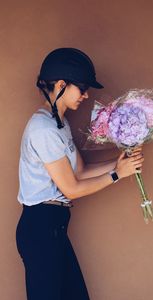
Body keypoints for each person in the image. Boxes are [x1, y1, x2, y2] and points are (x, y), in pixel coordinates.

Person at [15, 48, 144, 300]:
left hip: (53, 227)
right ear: (62, 84)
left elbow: (80, 171)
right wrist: (117, 175)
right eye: (82, 88)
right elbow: (71, 188)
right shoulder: (44, 129)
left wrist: (119, 163)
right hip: (41, 227)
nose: (85, 96)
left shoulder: (58, 124)